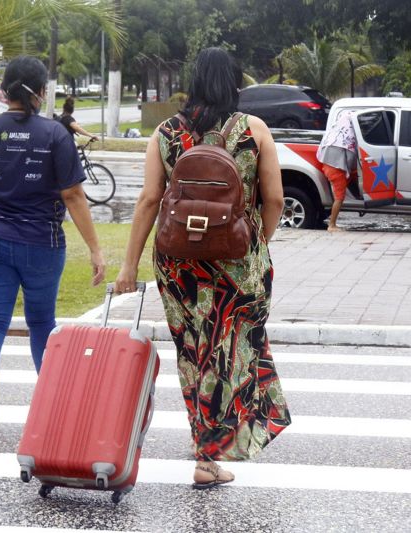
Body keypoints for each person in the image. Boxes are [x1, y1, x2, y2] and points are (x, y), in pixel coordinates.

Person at [115, 47, 291, 489]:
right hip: (238, 263)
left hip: (179, 267)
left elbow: (149, 201)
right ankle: (214, 451)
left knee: (195, 353)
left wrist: (127, 266)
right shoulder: (255, 131)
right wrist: (258, 242)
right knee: (235, 350)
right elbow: (275, 200)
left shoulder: (167, 132)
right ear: (234, 83)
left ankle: (208, 452)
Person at [0, 56, 106, 433]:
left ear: (6, 89)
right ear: (41, 92)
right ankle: (51, 403)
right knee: (41, 321)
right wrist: (95, 248)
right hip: (42, 243)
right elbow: (73, 196)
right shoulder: (55, 134)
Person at [317, 110, 357, 231]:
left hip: (327, 166)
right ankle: (332, 225)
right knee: (339, 198)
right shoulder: (348, 138)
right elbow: (350, 159)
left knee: (337, 195)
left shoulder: (333, 134)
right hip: (337, 169)